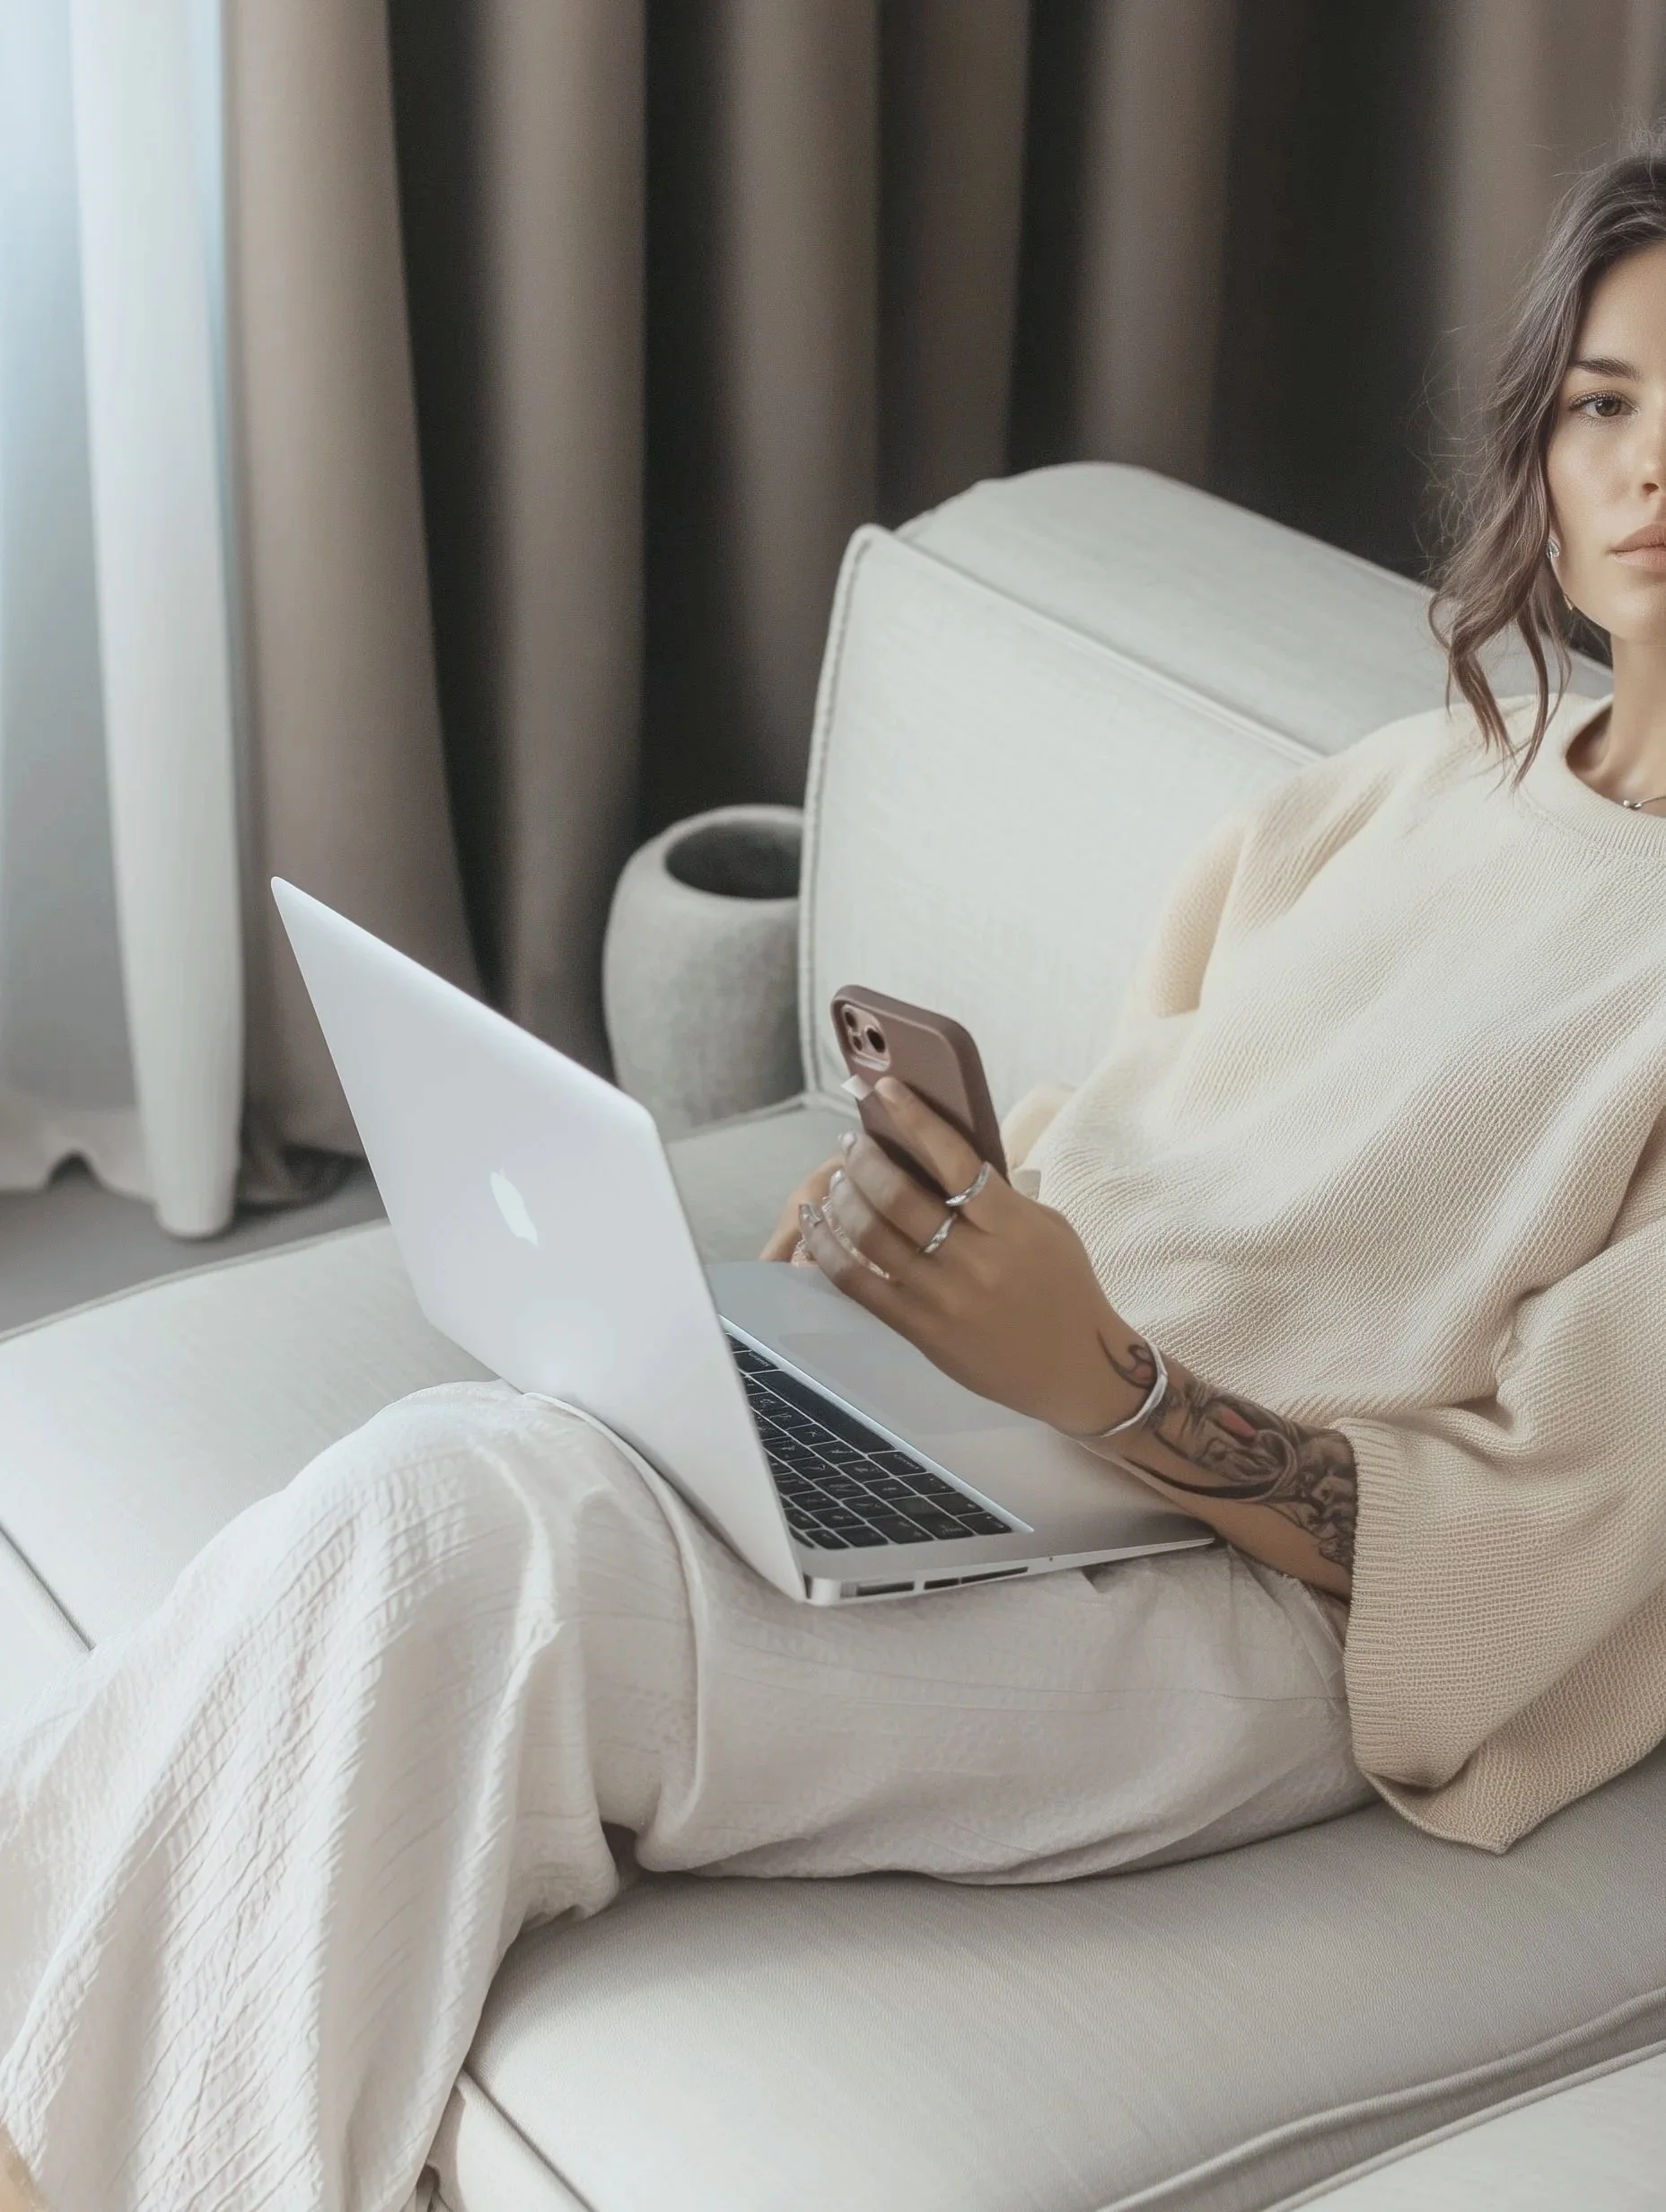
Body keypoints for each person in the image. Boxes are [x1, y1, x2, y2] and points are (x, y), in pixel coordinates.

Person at [5, 130, 1666, 2212]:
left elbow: (1531, 1549)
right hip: (1013, 1439)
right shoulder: (1404, 784)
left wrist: (1109, 1386)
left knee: (462, 1547)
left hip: (1258, 1606)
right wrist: (930, 1226)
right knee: (429, 1479)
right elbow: (1134, 1134)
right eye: (1607, 403)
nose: (1645, 471)